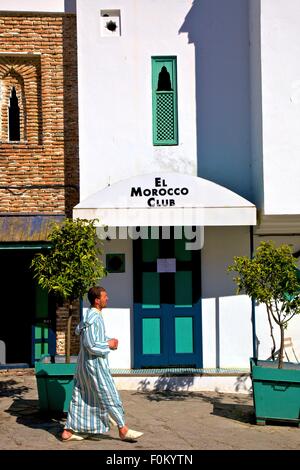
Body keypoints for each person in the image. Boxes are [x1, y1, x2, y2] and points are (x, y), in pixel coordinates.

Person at [61, 286, 143, 442]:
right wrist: (109, 345)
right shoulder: (94, 317)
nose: (108, 298)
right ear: (97, 300)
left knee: (83, 394)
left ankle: (68, 431)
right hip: (95, 365)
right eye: (105, 296)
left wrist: (107, 340)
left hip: (84, 365)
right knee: (108, 392)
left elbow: (82, 332)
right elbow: (90, 344)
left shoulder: (89, 316)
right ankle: (122, 428)